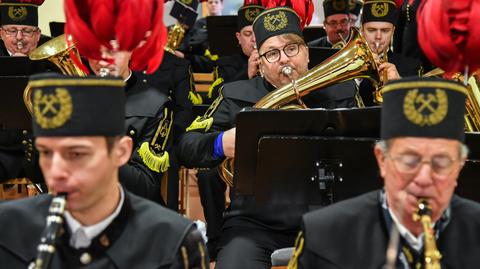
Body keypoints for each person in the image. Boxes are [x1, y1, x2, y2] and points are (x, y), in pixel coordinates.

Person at [178, 6, 357, 268]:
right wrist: (220, 143)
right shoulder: (236, 94)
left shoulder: (340, 93)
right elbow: (186, 146)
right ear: (260, 63)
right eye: (272, 53)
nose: (284, 59)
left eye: (292, 48)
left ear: (306, 52)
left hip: (329, 218)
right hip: (255, 224)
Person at [0, 73, 209, 268]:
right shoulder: (8, 227)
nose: (56, 172)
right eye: (46, 153)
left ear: (121, 152)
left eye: (77, 154)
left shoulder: (174, 242)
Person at [288, 76, 480, 268]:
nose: (423, 179)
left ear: (460, 165)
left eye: (441, 163)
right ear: (382, 160)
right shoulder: (324, 235)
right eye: (409, 161)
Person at [87, 47, 174, 205]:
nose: (103, 59)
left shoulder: (157, 105)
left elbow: (145, 186)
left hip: (130, 211)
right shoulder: (69, 98)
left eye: (112, 50)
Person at [358, 0, 421, 106]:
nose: (378, 37)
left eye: (385, 30)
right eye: (372, 30)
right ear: (362, 31)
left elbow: (418, 110)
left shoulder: (412, 66)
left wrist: (400, 84)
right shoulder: (344, 64)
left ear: (393, 31)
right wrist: (357, 78)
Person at [175, 0, 224, 73]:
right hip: (198, 64)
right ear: (206, 4)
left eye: (216, 2)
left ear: (222, 5)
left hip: (222, 65)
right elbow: (187, 44)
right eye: (210, 2)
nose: (213, 4)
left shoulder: (229, 25)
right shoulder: (197, 24)